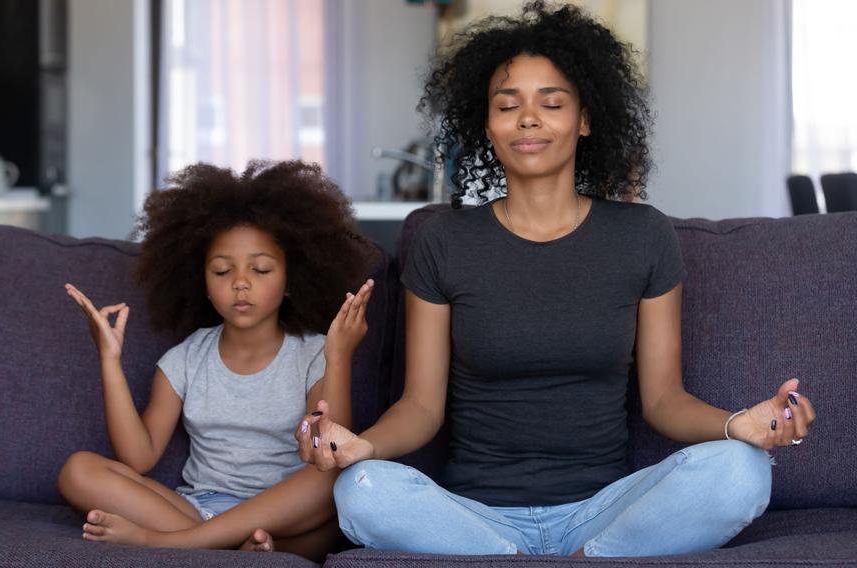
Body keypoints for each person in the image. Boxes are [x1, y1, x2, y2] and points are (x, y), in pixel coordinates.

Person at [296, 1, 816, 558]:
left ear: (585, 119)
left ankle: (584, 557)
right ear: (487, 123)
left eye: (552, 102)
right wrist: (363, 446)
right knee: (361, 489)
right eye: (507, 104)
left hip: (605, 509)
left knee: (743, 469)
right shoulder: (443, 242)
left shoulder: (643, 235)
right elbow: (422, 408)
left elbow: (664, 400)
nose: (528, 118)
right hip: (474, 516)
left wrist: (742, 424)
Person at [58, 160, 375, 562]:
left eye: (260, 269)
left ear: (291, 280)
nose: (240, 282)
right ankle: (238, 548)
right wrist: (109, 360)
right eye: (222, 271)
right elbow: (139, 457)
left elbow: (325, 448)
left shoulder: (313, 353)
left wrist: (339, 358)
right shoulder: (186, 358)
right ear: (203, 284)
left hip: (285, 515)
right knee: (78, 470)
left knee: (331, 480)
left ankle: (174, 543)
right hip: (197, 508)